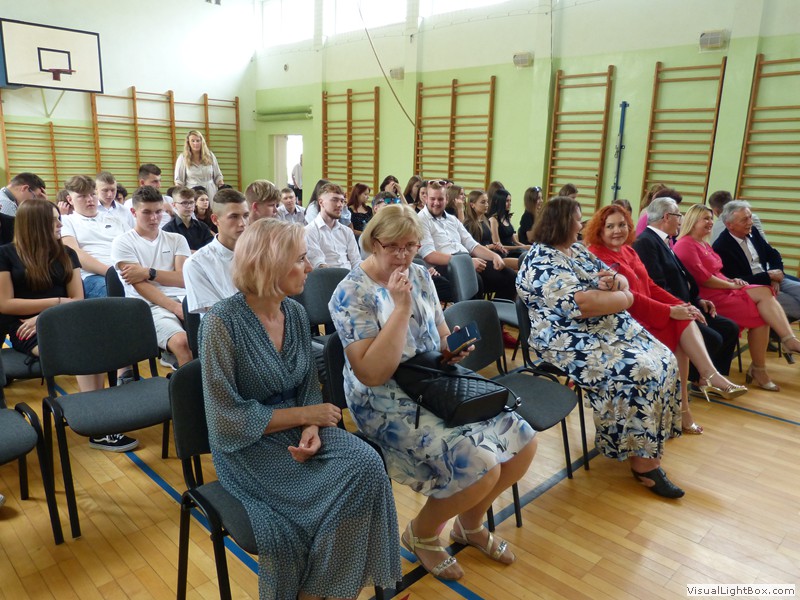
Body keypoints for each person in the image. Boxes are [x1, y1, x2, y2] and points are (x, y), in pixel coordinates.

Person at [329, 204, 536, 580]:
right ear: (373, 242)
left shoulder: (420, 274)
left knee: (524, 440)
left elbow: (438, 336)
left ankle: (469, 525)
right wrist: (400, 308)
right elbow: (372, 373)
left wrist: (451, 348)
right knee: (481, 464)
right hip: (384, 398)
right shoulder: (350, 293)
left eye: (411, 246)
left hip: (431, 379)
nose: (403, 255)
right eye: (394, 246)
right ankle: (421, 534)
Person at [200, 218, 401, 598]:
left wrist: (311, 429)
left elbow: (308, 385)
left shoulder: (293, 313)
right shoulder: (220, 323)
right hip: (248, 448)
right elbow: (225, 420)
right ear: (269, 265)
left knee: (368, 464)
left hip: (297, 428)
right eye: (300, 259)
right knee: (346, 489)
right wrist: (306, 416)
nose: (309, 267)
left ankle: (318, 590)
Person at [517, 196, 685, 498]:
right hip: (567, 339)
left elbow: (617, 277)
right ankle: (643, 463)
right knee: (640, 370)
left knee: (664, 357)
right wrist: (625, 298)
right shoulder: (542, 260)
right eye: (577, 219)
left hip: (603, 328)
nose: (581, 224)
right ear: (562, 223)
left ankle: (646, 438)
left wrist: (616, 284)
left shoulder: (576, 250)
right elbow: (582, 305)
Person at [585, 205, 746, 434]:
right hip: (626, 322)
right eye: (610, 226)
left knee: (683, 323)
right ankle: (701, 388)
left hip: (649, 314)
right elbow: (631, 299)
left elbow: (650, 286)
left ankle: (687, 405)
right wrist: (669, 311)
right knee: (680, 325)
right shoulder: (597, 255)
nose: (617, 230)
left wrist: (682, 305)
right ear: (599, 230)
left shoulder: (628, 250)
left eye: (622, 224)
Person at [673, 204, 800, 392]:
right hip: (709, 296)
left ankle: (776, 352)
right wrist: (731, 285)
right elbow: (704, 279)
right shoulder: (686, 245)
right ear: (693, 221)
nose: (710, 222)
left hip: (723, 288)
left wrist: (731, 281)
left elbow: (718, 273)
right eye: (705, 219)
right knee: (762, 310)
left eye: (711, 218)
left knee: (764, 295)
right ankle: (773, 355)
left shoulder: (703, 243)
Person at [632, 197, 740, 398]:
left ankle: (712, 380)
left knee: (729, 328)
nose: (681, 219)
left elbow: (683, 277)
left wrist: (698, 301)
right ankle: (699, 379)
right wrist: (684, 306)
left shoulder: (664, 240)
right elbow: (657, 285)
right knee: (713, 338)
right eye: (678, 215)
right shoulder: (646, 242)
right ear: (667, 217)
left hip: (686, 303)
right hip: (670, 309)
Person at [111, 185, 192, 368]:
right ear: (134, 212)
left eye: (158, 212)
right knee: (182, 343)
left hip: (184, 299)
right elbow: (140, 285)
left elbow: (182, 279)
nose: (154, 218)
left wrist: (149, 272)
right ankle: (189, 385)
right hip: (149, 306)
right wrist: (175, 308)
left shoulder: (177, 239)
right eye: (147, 212)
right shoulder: (123, 242)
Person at [418, 180, 517, 301]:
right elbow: (429, 255)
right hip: (444, 264)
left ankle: (495, 311)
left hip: (466, 259)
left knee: (509, 276)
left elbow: (472, 245)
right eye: (432, 199)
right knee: (473, 280)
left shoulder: (452, 219)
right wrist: (466, 262)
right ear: (426, 198)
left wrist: (494, 256)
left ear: (447, 199)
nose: (436, 203)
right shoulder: (421, 219)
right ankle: (475, 311)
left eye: (440, 199)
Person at [713, 200, 800, 322]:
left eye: (750, 217)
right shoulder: (721, 247)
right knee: (796, 307)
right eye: (744, 220)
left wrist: (775, 275)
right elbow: (737, 280)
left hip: (772, 279)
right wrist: (768, 276)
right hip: (754, 288)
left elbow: (773, 254)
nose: (750, 222)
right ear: (729, 225)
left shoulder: (753, 231)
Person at [61, 174, 130, 299]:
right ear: (70, 200)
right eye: (82, 196)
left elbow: (134, 245)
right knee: (119, 295)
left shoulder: (116, 219)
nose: (90, 199)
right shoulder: (67, 221)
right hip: (94, 276)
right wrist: (111, 273)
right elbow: (73, 252)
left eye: (92, 194)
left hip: (126, 271)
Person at [184, 188, 249, 316]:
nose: (243, 223)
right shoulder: (196, 263)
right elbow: (217, 316)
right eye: (234, 217)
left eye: (246, 216)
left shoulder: (259, 255)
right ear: (215, 220)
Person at [305, 183, 361, 269]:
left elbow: (356, 261)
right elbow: (318, 264)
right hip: (327, 276)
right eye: (334, 200)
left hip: (350, 275)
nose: (340, 205)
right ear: (321, 202)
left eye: (342, 201)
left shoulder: (347, 231)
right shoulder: (309, 231)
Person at [174, 130, 224, 200]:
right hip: (192, 193)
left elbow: (218, 176)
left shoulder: (210, 155)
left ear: (202, 142)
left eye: (198, 141)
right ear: (188, 142)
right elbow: (179, 181)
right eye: (193, 141)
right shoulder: (182, 158)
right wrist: (180, 198)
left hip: (210, 192)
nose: (196, 143)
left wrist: (223, 190)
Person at [162, 186, 214, 252]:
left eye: (191, 202)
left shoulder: (203, 227)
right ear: (174, 205)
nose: (189, 206)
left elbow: (211, 249)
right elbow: (169, 253)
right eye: (184, 203)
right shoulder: (167, 230)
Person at [488, 188, 528, 258]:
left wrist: (527, 247)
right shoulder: (493, 220)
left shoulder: (507, 218)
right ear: (499, 202)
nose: (509, 203)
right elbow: (498, 246)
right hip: (504, 253)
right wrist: (521, 247)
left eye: (510, 201)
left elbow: (515, 242)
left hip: (514, 250)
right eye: (507, 201)